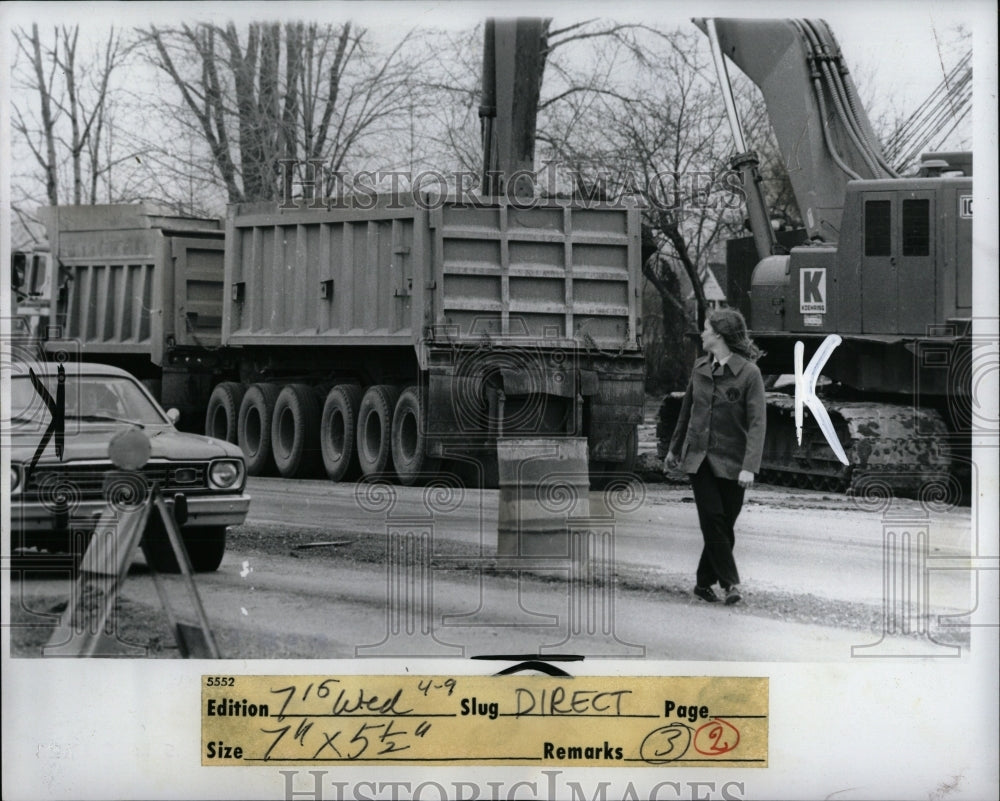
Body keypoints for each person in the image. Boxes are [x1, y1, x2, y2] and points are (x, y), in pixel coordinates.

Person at [665, 308, 766, 605]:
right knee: (713, 519)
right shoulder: (699, 368)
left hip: (734, 462)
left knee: (723, 525)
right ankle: (730, 584)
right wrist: (673, 448)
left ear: (719, 336)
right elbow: (686, 411)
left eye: (707, 329)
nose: (703, 333)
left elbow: (758, 423)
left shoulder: (749, 374)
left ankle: (702, 583)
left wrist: (750, 467)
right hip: (699, 459)